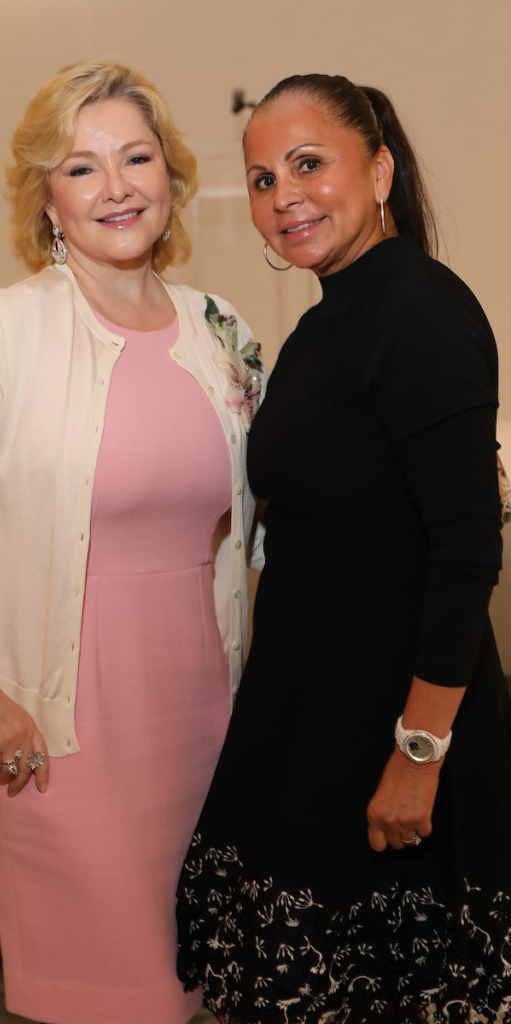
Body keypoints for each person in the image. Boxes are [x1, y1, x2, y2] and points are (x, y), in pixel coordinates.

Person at [0, 60, 264, 1024]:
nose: (115, 187)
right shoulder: (9, 332)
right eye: (80, 168)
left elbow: (261, 522)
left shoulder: (220, 330)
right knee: (110, 1002)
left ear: (171, 174)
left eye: (135, 157)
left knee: (198, 991)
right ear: (45, 199)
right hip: (59, 736)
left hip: (207, 720)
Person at [176, 73, 511, 1023]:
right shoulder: (327, 322)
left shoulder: (422, 312)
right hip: (313, 715)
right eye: (260, 177)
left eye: (308, 164)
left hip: (394, 727)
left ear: (379, 168)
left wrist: (416, 754)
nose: (282, 195)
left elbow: (465, 556)